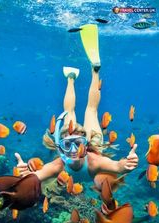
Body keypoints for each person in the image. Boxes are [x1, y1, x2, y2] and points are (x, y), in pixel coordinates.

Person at [14, 24, 138, 183]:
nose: (73, 150)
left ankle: (76, 76)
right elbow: (35, 177)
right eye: (67, 145)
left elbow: (117, 166)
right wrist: (25, 176)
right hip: (96, 142)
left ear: (85, 145)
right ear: (61, 147)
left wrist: (126, 165)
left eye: (78, 143)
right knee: (91, 111)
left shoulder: (94, 161)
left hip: (92, 146)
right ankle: (91, 71)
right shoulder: (58, 165)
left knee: (73, 111)